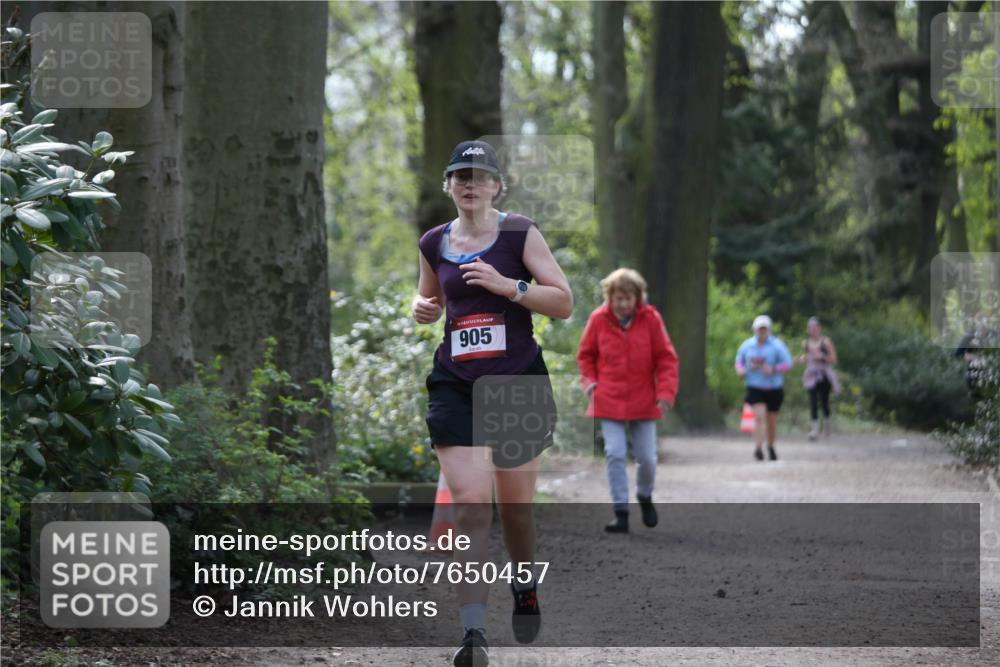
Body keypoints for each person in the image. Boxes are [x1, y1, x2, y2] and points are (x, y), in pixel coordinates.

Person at [412, 139, 573, 667]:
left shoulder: (519, 232)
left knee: (516, 509)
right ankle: (473, 635)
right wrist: (423, 308)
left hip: (516, 383)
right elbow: (434, 302)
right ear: (448, 185)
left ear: (497, 185)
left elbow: (564, 302)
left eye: (480, 175)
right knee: (472, 505)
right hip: (456, 384)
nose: (470, 183)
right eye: (461, 175)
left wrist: (510, 286)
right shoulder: (434, 241)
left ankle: (524, 584)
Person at [576, 268, 679, 533]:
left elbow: (666, 359)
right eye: (617, 298)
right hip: (608, 397)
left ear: (637, 298)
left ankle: (645, 495)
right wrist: (590, 385)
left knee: (647, 457)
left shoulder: (651, 319)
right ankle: (620, 511)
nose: (622, 304)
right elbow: (586, 356)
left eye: (628, 298)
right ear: (609, 298)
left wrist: (666, 394)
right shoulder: (598, 319)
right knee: (615, 453)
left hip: (644, 398)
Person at [735, 315, 793, 461]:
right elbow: (739, 362)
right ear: (754, 329)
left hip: (774, 388)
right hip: (754, 387)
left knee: (771, 421)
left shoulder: (777, 345)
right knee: (759, 418)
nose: (762, 331)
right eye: (759, 328)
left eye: (764, 328)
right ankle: (758, 447)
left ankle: (771, 446)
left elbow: (788, 363)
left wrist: (773, 369)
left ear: (769, 329)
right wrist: (740, 370)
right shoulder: (747, 345)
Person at [798, 317, 840, 440]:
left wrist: (822, 356)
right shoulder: (805, 343)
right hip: (811, 375)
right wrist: (802, 359)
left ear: (820, 329)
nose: (813, 330)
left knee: (824, 401)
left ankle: (827, 425)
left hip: (825, 374)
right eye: (811, 328)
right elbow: (806, 357)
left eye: (815, 328)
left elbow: (834, 359)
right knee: (813, 400)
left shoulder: (826, 342)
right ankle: (814, 429)